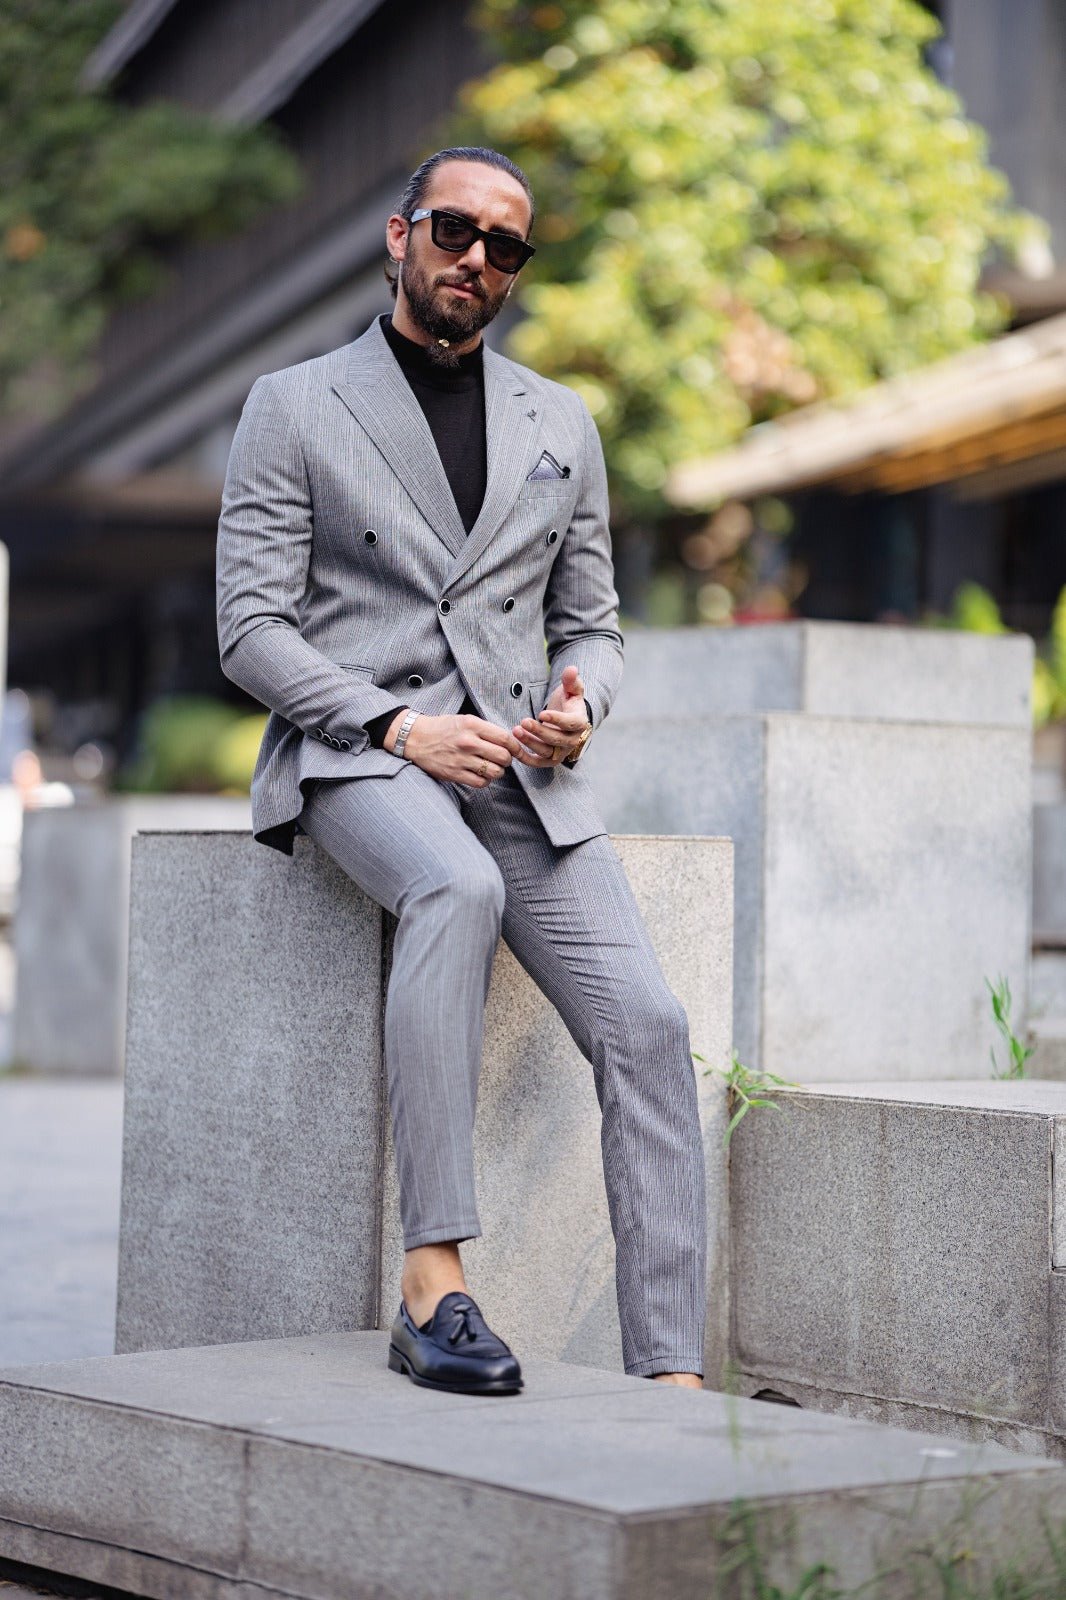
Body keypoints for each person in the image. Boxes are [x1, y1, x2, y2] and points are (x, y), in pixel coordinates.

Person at [216, 145, 706, 1397]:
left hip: (517, 770)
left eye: (506, 247)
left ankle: (672, 1371)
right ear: (399, 236)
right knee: (456, 891)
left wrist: (582, 702)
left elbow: (590, 619)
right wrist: (393, 727)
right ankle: (433, 1281)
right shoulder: (295, 403)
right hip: (360, 753)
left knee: (648, 1025)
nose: (477, 260)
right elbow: (250, 626)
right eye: (454, 231)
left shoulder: (560, 420)